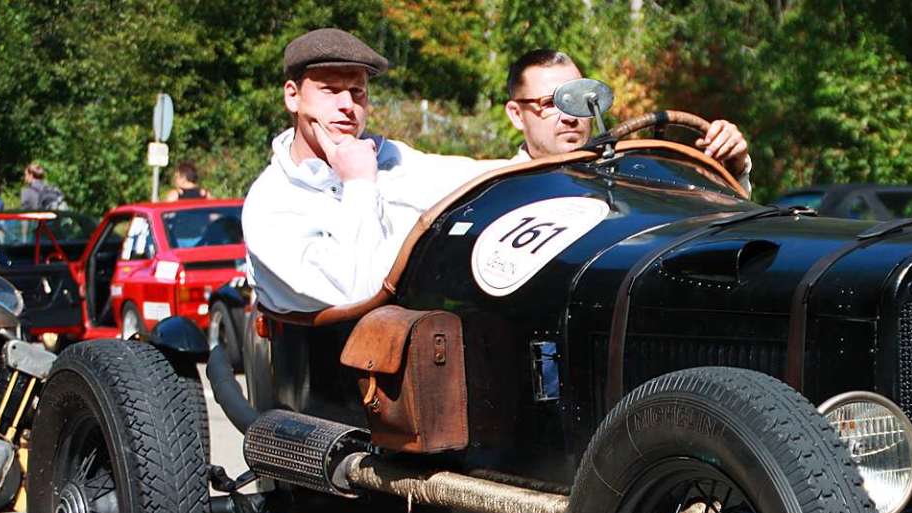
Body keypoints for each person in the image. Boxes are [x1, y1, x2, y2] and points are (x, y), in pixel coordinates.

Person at [243, 28, 504, 313]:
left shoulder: (390, 158)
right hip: (324, 354)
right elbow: (357, 292)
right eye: (330, 90)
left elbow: (479, 180)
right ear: (293, 96)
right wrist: (358, 184)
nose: (347, 105)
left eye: (357, 92)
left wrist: (543, 157)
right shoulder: (270, 202)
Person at [504, 49, 753, 194]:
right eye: (550, 103)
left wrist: (732, 166)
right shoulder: (496, 191)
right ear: (517, 114)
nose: (570, 117)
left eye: (580, 101)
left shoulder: (629, 178)